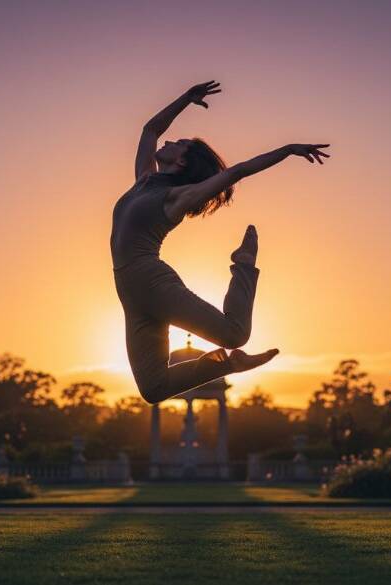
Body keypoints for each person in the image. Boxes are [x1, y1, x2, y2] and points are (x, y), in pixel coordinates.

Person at [110, 80, 330, 404]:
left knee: (234, 334)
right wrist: (186, 98)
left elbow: (236, 172)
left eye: (179, 143)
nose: (170, 140)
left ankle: (244, 266)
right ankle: (226, 365)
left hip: (150, 280)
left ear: (182, 162)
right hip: (129, 289)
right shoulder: (144, 180)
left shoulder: (177, 197)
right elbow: (150, 129)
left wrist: (286, 150)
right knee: (153, 389)